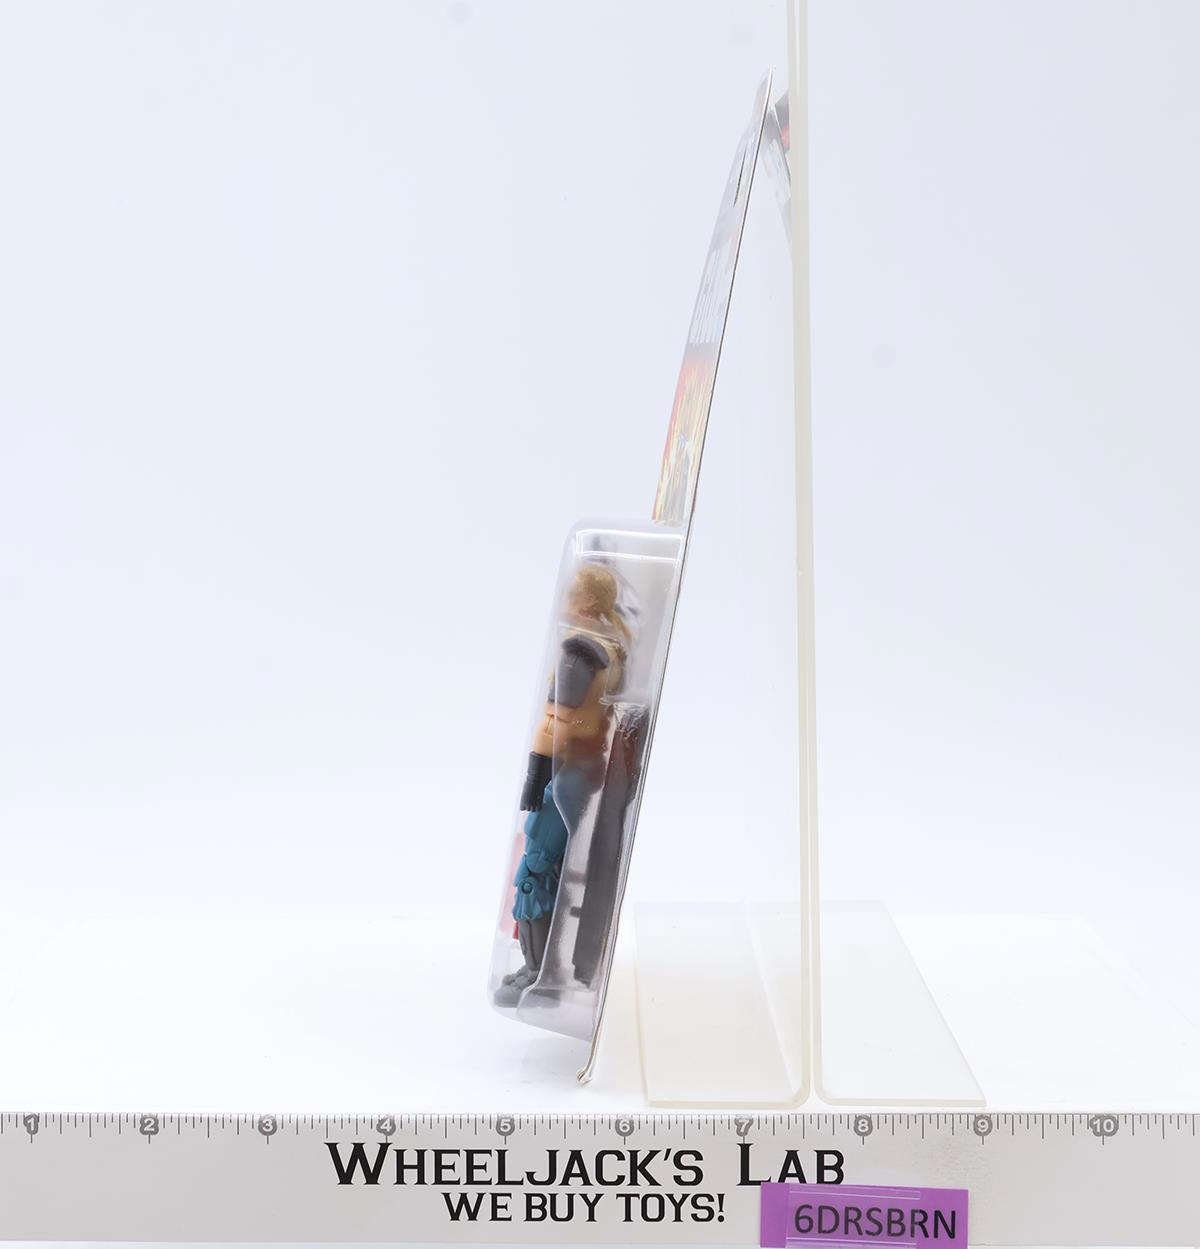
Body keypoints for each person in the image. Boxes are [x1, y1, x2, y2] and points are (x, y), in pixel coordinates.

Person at [493, 563, 631, 1007]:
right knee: (545, 871)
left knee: (533, 874)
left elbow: (558, 721)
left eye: (571, 594)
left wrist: (536, 772)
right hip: (580, 771)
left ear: (587, 602)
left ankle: (538, 973)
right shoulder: (611, 646)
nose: (563, 601)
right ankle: (540, 969)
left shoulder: (579, 653)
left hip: (569, 774)